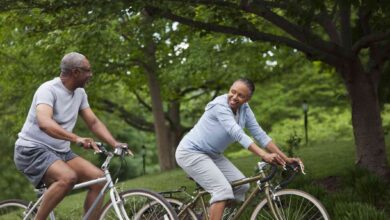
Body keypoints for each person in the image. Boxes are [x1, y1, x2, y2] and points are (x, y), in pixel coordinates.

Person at [14, 52, 129, 220]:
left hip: (59, 151)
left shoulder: (80, 94)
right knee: (68, 177)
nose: (91, 75)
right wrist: (76, 138)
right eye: (88, 71)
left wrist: (114, 143)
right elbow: (44, 122)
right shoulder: (48, 90)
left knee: (99, 180)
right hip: (31, 150)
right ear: (76, 72)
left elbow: (94, 123)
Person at [175, 78, 303, 220]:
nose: (235, 97)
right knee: (222, 190)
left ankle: (209, 216)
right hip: (191, 152)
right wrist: (263, 154)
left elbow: (260, 135)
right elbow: (237, 133)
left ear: (247, 99)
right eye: (233, 92)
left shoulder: (245, 110)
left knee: (242, 187)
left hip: (212, 154)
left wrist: (286, 159)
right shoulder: (219, 105)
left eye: (240, 95)